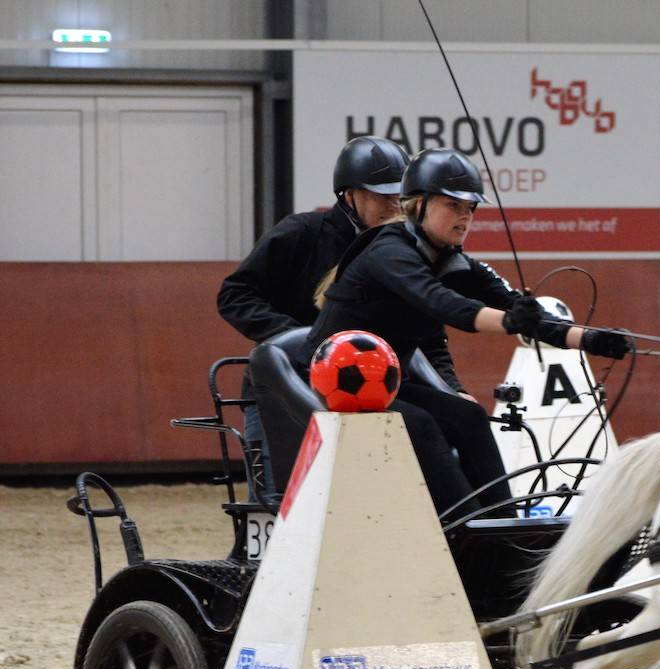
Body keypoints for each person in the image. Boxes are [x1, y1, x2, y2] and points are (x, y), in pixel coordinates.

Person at [302, 146, 632, 517]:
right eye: (453, 205)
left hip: (383, 386)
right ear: (419, 205)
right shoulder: (389, 252)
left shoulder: (452, 260)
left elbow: (519, 308)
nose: (465, 217)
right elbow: (441, 302)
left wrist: (589, 339)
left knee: (468, 416)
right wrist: (508, 322)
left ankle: (503, 525)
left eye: (471, 208)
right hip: (330, 384)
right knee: (421, 424)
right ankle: (468, 528)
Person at [217, 136, 410, 490]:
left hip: (365, 392)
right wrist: (296, 340)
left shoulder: (402, 250)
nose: (394, 205)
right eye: (383, 196)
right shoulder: (301, 233)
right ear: (349, 195)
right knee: (279, 498)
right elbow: (235, 294)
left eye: (400, 196)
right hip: (281, 386)